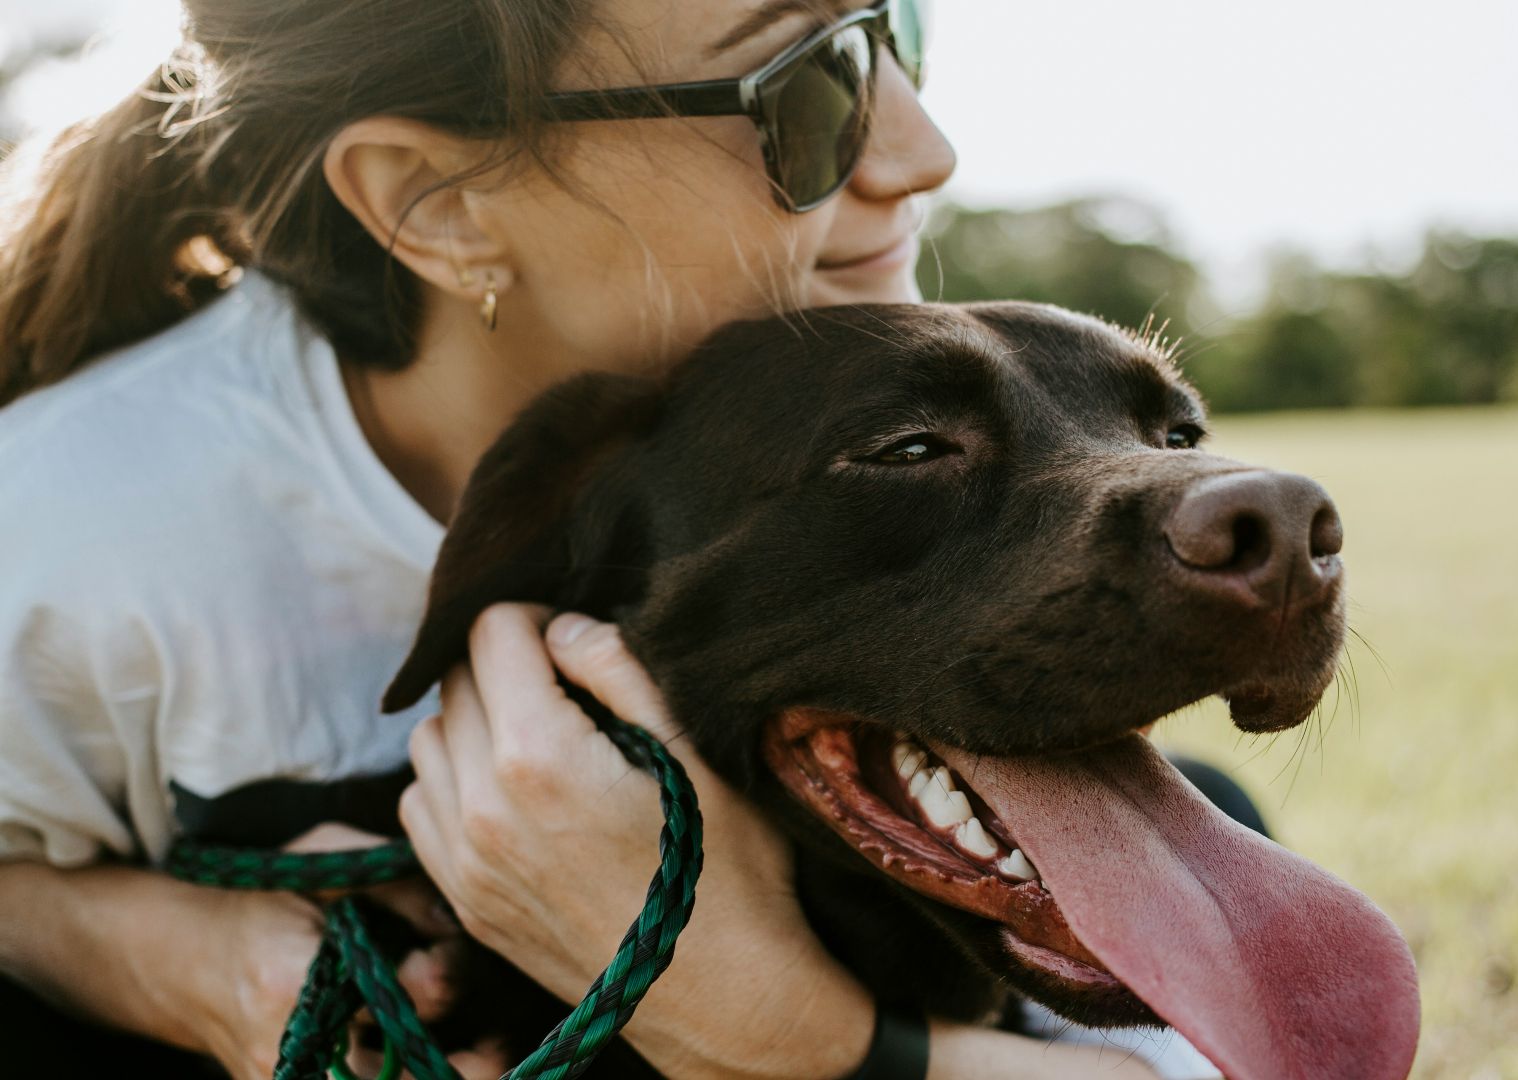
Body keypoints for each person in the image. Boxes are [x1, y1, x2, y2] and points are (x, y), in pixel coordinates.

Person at [0, 2, 1224, 1077]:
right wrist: (170, 960)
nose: (922, 151)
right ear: (439, 204)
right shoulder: (65, 531)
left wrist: (779, 1032)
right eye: (807, 82)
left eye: (893, 25)